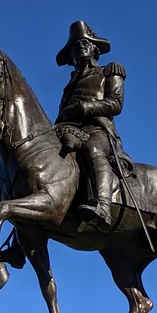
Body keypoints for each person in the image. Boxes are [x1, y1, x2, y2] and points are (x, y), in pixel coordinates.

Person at [53, 20, 132, 229]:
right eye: (76, 46)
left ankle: (103, 207)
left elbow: (115, 104)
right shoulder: (69, 86)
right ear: (70, 56)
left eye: (85, 44)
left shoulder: (109, 71)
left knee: (93, 149)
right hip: (70, 131)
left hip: (98, 131)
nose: (81, 48)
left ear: (95, 48)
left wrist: (83, 108)